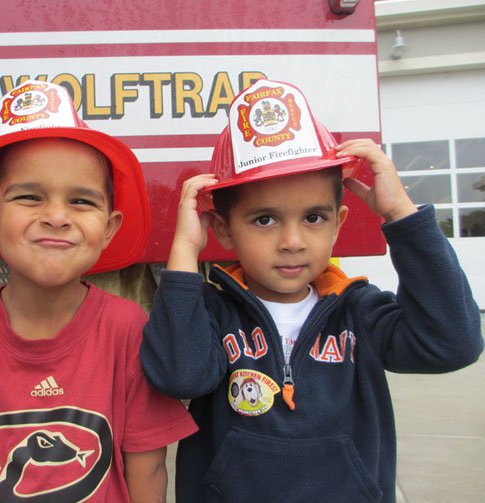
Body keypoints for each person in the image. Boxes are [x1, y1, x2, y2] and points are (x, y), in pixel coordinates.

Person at [140, 78, 483, 502]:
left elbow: (453, 344)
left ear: (339, 222)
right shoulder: (209, 311)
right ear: (225, 231)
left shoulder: (359, 310)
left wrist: (401, 216)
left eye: (314, 218)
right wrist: (185, 250)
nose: (293, 241)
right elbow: (180, 375)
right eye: (265, 219)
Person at [0, 80, 197, 502]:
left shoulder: (129, 334)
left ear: (109, 229)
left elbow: (149, 475)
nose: (55, 217)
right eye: (29, 197)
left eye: (81, 202)